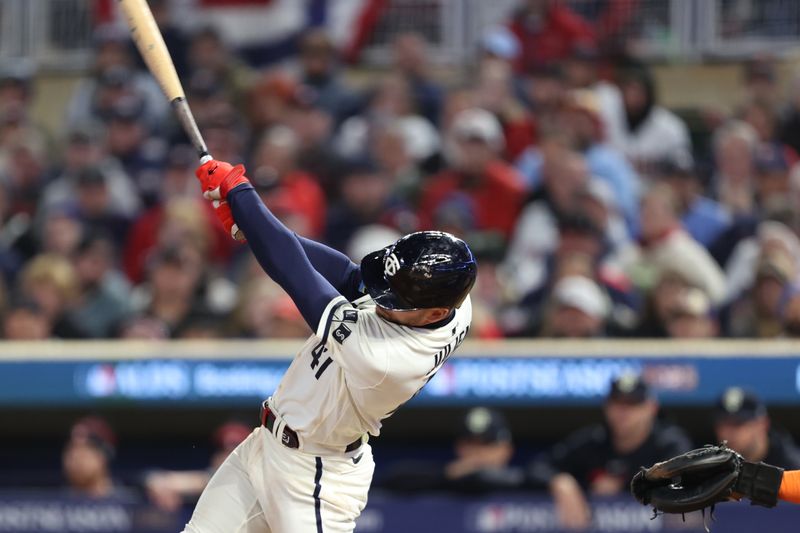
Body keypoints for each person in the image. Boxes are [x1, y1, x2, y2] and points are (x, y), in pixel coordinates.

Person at [182, 158, 477, 532]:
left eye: (394, 301)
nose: (382, 300)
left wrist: (242, 195)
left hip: (316, 478)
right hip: (264, 448)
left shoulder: (384, 361)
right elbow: (348, 277)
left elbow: (298, 277)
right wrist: (255, 231)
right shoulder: (455, 301)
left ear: (434, 314)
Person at [528, 374, 691, 530]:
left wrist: (625, 486)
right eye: (617, 403)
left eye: (632, 404)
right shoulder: (594, 441)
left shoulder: (669, 443)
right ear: (607, 406)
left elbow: (685, 480)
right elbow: (537, 467)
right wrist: (560, 482)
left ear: (651, 407)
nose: (623, 412)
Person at [714, 387, 800, 469]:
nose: (730, 432)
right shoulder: (713, 467)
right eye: (724, 424)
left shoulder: (793, 468)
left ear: (763, 424)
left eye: (738, 423)